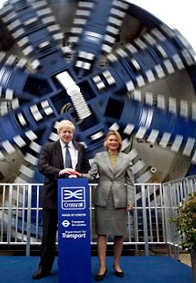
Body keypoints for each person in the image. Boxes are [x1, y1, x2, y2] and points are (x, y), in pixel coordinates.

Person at [32, 119, 90, 279]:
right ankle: (44, 268)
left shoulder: (81, 148)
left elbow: (86, 167)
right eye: (64, 131)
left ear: (73, 133)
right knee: (48, 236)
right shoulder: (49, 148)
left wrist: (79, 176)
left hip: (73, 201)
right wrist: (60, 172)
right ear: (59, 133)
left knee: (73, 235)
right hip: (52, 197)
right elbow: (42, 166)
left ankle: (73, 265)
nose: (67, 134)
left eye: (69, 132)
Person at [78, 130, 135, 281]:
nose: (113, 142)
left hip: (120, 200)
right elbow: (91, 176)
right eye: (110, 140)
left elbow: (130, 182)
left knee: (119, 234)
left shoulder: (126, 158)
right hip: (102, 199)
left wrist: (131, 201)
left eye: (115, 140)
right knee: (101, 234)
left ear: (119, 142)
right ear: (106, 142)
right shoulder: (98, 157)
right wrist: (79, 176)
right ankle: (102, 266)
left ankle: (116, 264)